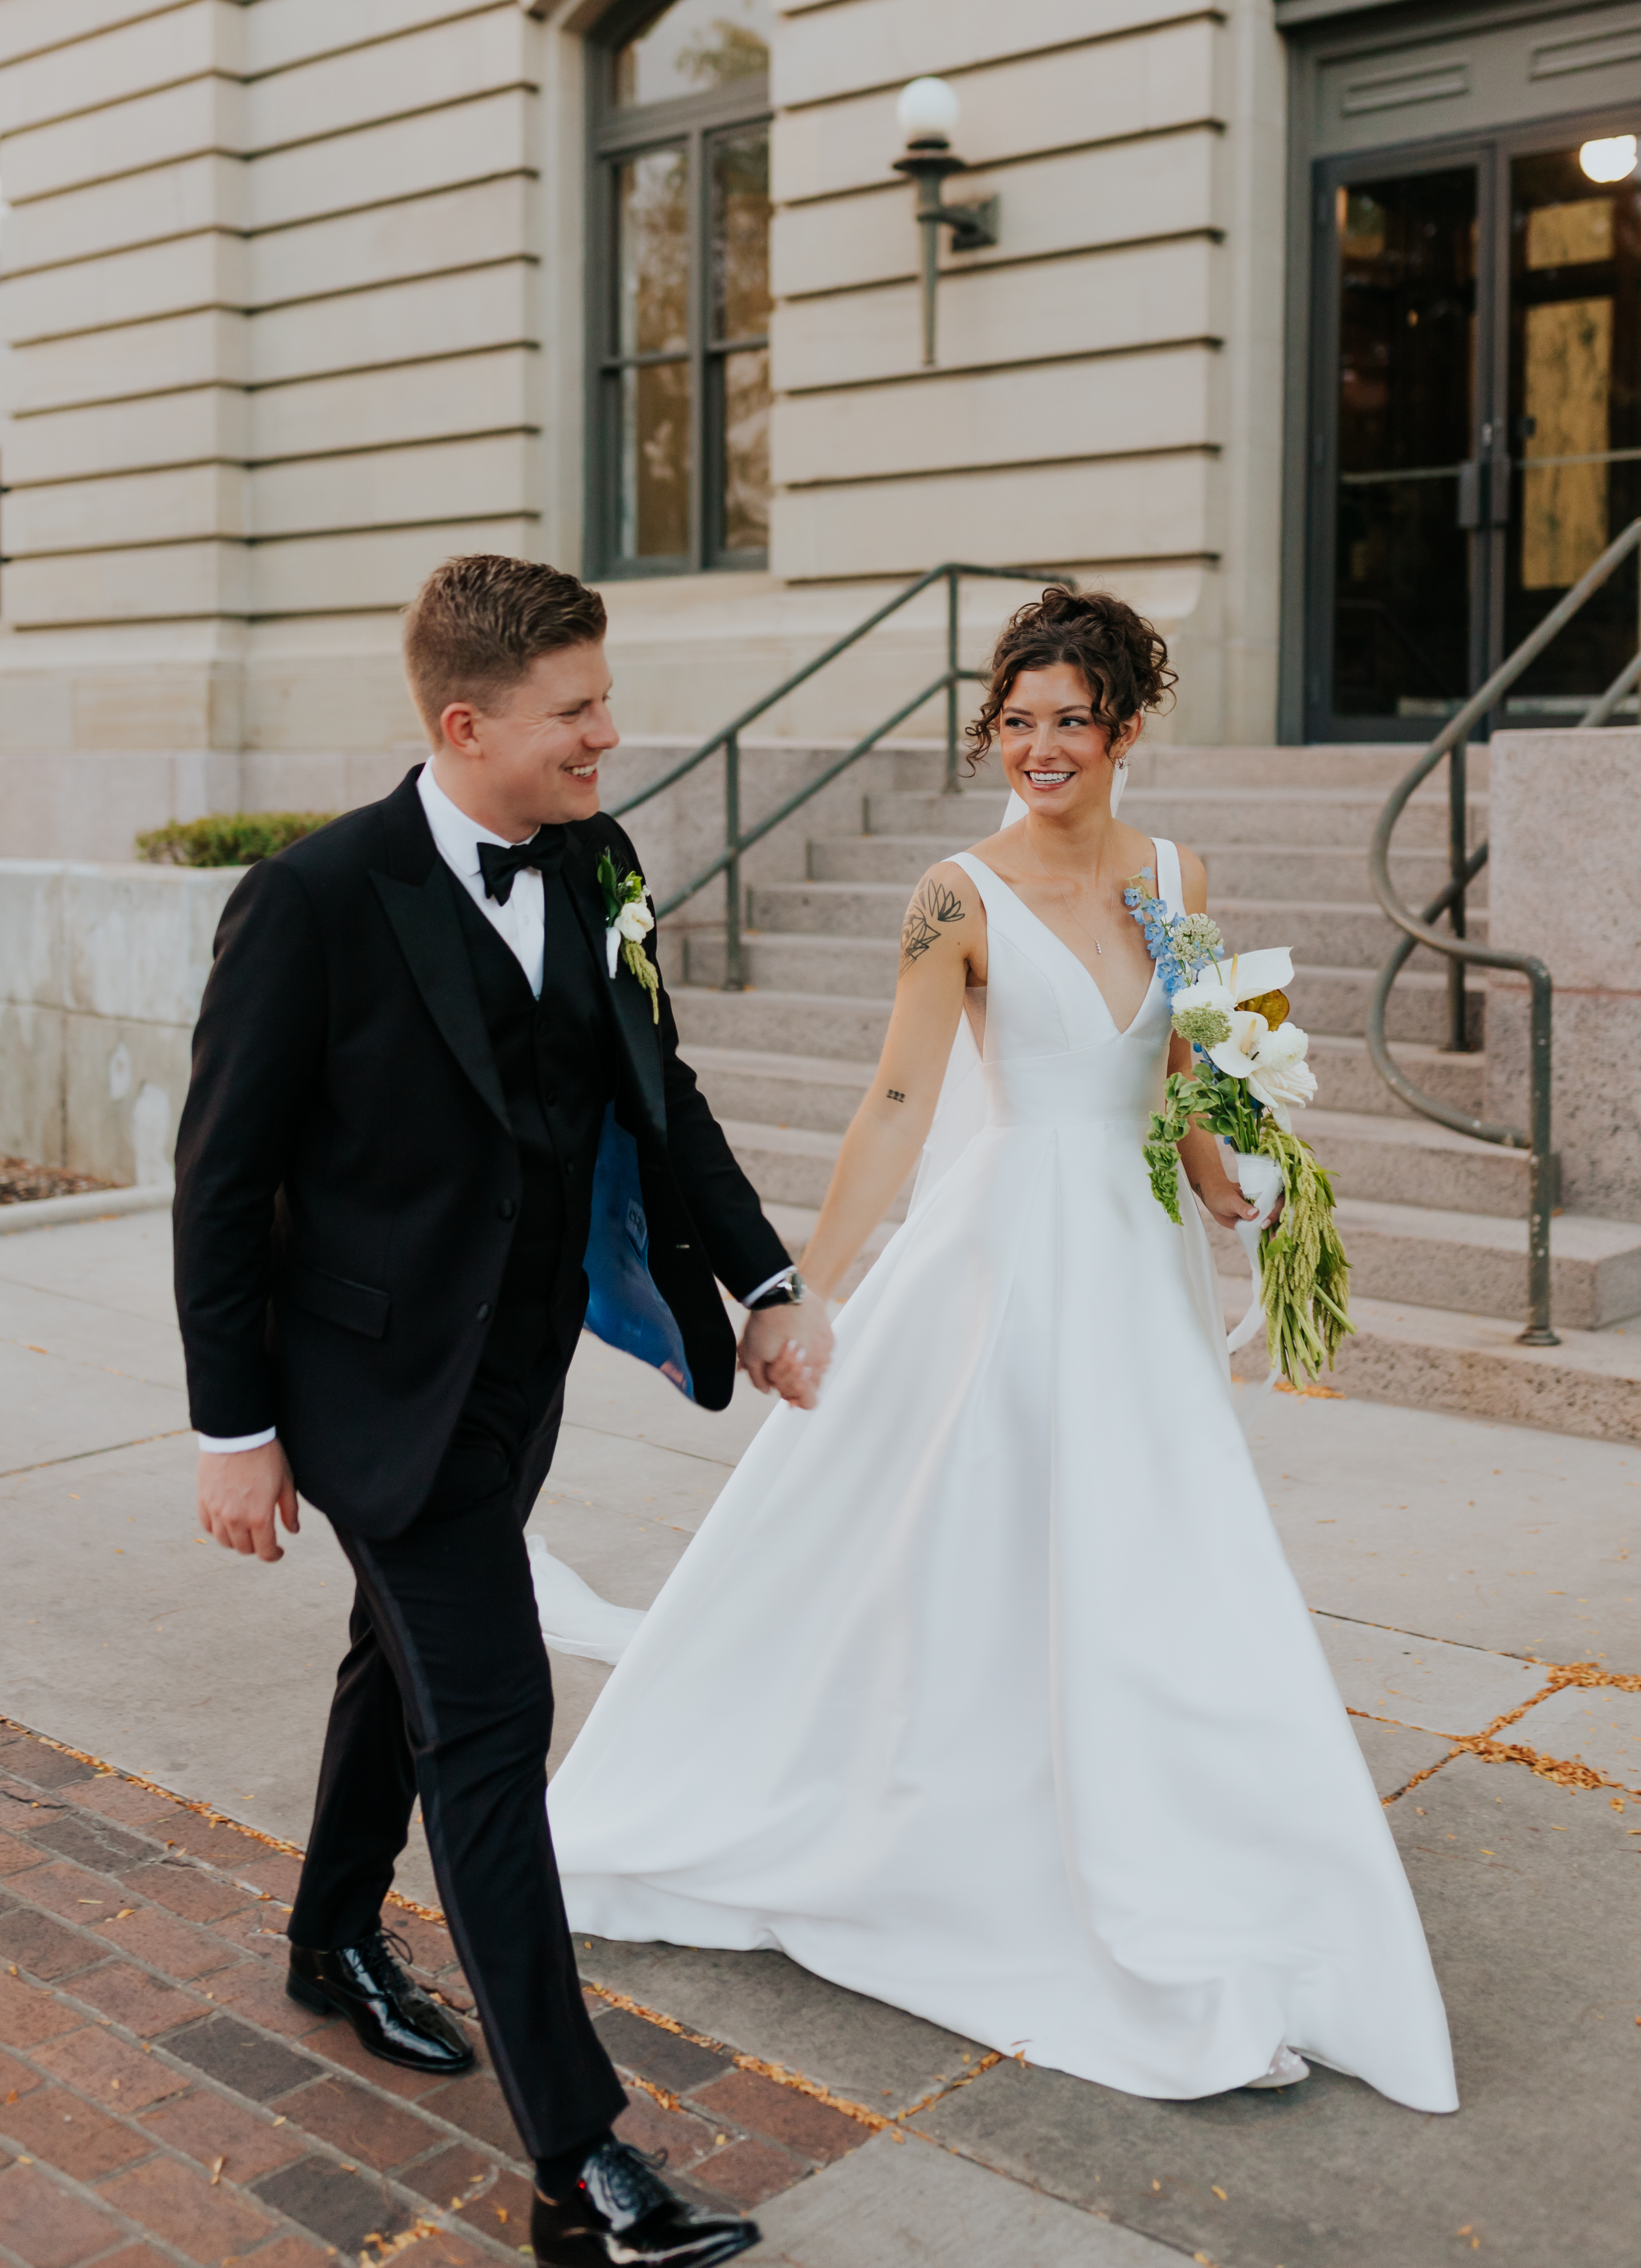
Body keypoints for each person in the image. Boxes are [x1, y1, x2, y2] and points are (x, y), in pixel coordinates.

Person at [549, 587, 1459, 2116]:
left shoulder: (1178, 874)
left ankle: (1178, 1816)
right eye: (1016, 721)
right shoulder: (951, 898)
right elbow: (897, 1106)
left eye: (1070, 722)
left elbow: (1185, 1062)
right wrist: (802, 1291)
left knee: (1157, 1546)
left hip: (1135, 1252)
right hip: (1006, 1253)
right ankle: (982, 1810)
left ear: (1123, 731)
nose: (1039, 748)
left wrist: (1250, 1190)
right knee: (987, 1533)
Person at [173, 554, 832, 2268]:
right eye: (576, 714)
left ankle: (328, 1941)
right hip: (363, 1386)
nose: (610, 736)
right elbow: (220, 1182)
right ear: (465, 726)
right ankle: (582, 2163)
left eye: (603, 701)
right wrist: (231, 1431)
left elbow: (654, 1087)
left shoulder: (599, 859)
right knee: (486, 1720)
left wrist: (760, 1285)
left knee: (392, 1661)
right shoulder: (315, 900)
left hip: (517, 1371)